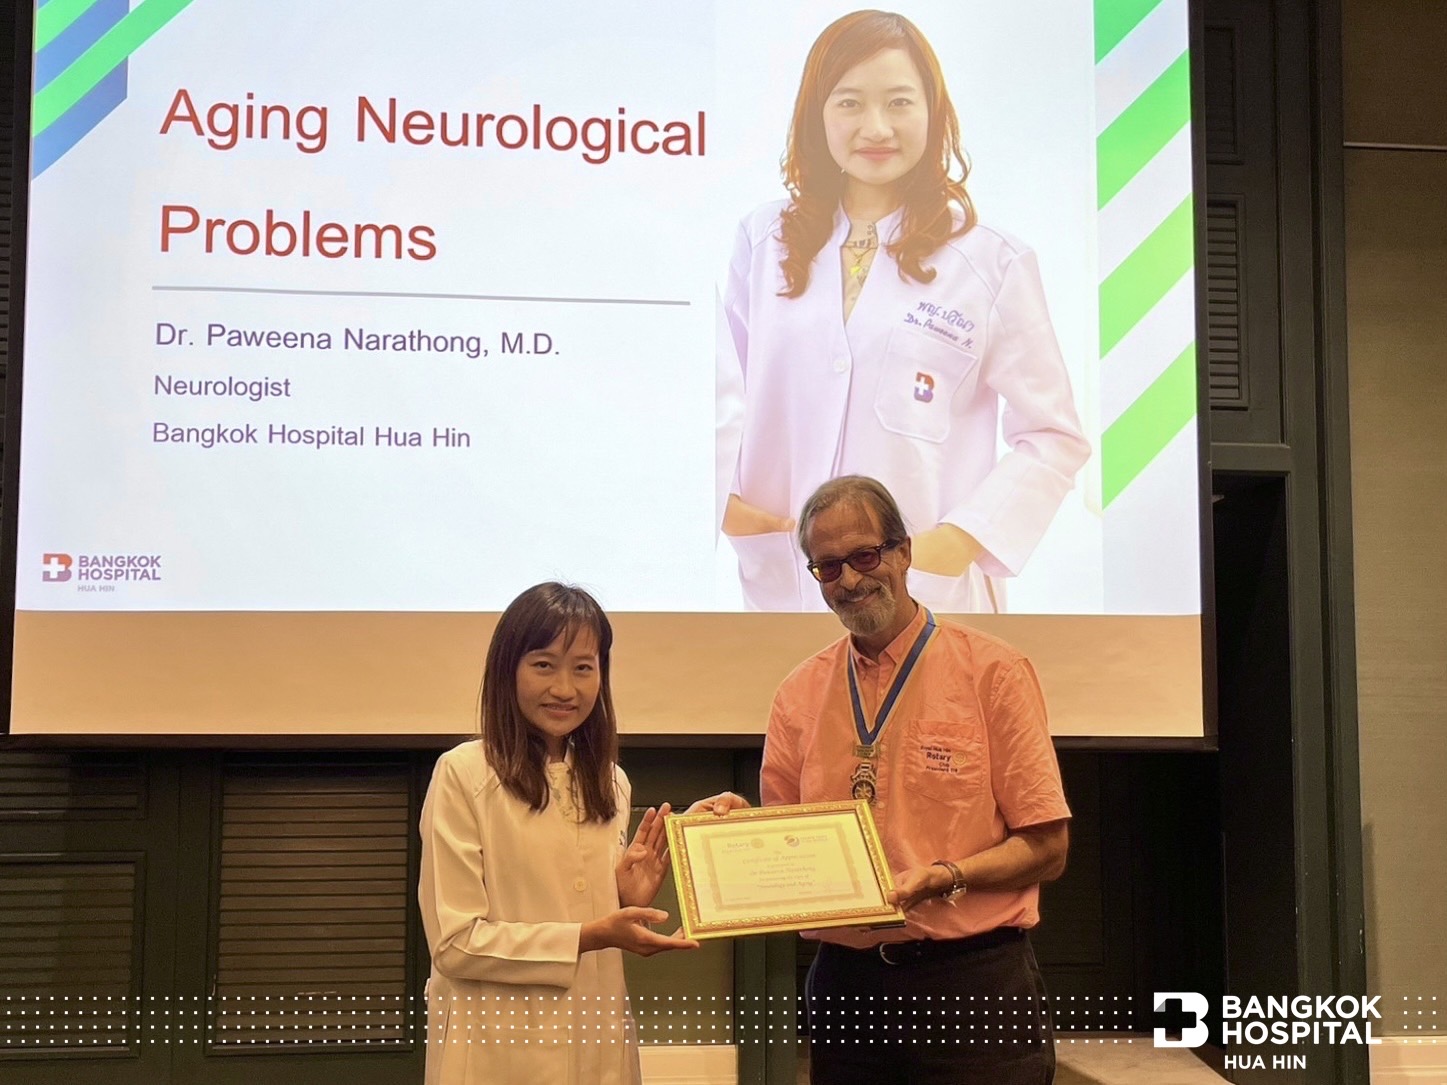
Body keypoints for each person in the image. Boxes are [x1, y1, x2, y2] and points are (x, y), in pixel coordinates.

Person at [717, 9, 1090, 614]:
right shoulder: (764, 243)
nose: (876, 127)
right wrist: (729, 506)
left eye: (898, 102)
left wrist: (957, 541)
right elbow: (717, 399)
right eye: (849, 103)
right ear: (817, 114)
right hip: (786, 585)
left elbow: (1052, 435)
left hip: (927, 593)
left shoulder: (990, 262)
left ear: (932, 113)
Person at [705, 475, 1071, 1084]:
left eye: (865, 556)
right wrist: (740, 829)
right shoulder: (798, 694)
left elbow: (1048, 848)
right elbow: (789, 845)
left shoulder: (994, 674)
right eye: (827, 567)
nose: (849, 580)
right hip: (846, 989)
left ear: (903, 552)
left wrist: (946, 877)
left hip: (971, 984)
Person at [418, 582, 697, 1085]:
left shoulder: (611, 782)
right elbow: (456, 943)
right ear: (507, 670)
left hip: (600, 1044)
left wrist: (621, 897)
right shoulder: (463, 773)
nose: (565, 689)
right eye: (544, 665)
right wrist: (589, 936)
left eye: (583, 668)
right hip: (496, 1053)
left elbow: (578, 903)